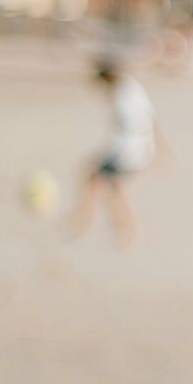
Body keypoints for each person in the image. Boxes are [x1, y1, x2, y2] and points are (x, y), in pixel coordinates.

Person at [68, 61, 162, 248]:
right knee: (112, 190)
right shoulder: (132, 86)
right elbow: (150, 119)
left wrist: (112, 155)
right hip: (141, 149)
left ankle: (85, 222)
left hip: (127, 153)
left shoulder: (121, 96)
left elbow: (129, 129)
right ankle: (122, 228)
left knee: (96, 183)